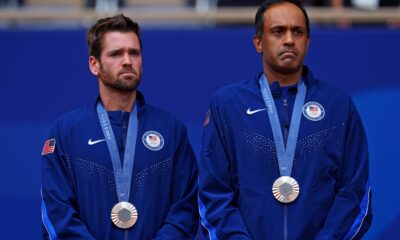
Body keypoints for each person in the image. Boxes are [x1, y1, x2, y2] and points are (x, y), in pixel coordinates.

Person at [198, 0, 372, 239]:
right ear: (258, 42)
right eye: (278, 31)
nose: (289, 40)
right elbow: (214, 193)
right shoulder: (228, 105)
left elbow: (355, 192)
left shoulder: (338, 105)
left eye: (298, 32)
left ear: (308, 42)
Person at [41, 14, 198, 239]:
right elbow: (57, 212)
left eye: (134, 53)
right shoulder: (66, 132)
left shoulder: (171, 130)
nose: (127, 60)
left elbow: (186, 209)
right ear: (94, 65)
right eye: (116, 54)